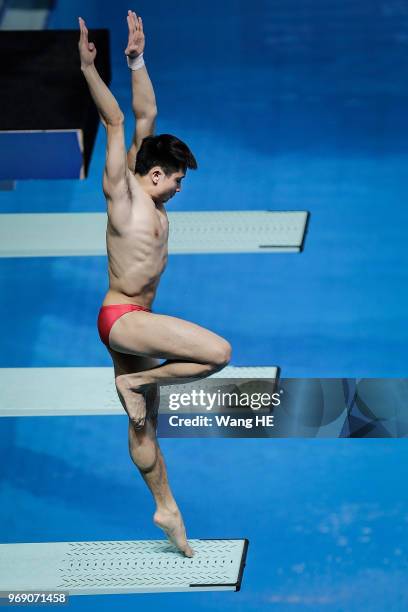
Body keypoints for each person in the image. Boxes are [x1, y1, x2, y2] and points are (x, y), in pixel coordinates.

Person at [78, 11, 231, 558]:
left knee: (145, 429)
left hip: (127, 326)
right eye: (179, 180)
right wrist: (90, 70)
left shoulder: (151, 183)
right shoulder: (122, 194)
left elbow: (146, 111)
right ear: (156, 174)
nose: (182, 188)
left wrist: (137, 59)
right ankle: (138, 385)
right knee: (217, 353)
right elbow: (117, 120)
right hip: (124, 320)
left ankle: (166, 509)